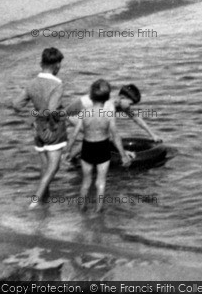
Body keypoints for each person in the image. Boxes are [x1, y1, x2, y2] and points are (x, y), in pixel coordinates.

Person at [64, 79, 131, 212]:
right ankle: (98, 210)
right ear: (107, 98)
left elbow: (74, 134)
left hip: (88, 148)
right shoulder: (108, 113)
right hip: (103, 148)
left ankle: (82, 209)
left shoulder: (85, 112)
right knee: (101, 182)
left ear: (91, 96)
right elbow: (115, 135)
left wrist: (67, 151)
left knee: (86, 181)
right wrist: (123, 155)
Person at [13, 48, 67, 209]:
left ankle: (45, 203)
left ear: (41, 64)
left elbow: (16, 105)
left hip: (37, 127)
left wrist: (31, 118)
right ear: (57, 65)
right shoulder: (57, 84)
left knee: (44, 167)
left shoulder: (31, 83)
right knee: (54, 166)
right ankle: (35, 202)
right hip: (53, 128)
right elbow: (51, 110)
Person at [64, 84, 161, 160]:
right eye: (130, 103)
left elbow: (136, 119)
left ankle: (71, 158)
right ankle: (69, 159)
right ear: (122, 98)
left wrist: (153, 135)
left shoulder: (121, 104)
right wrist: (124, 152)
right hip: (72, 114)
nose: (130, 107)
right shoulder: (108, 105)